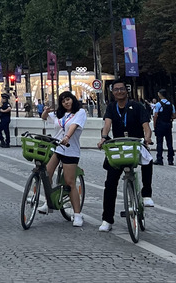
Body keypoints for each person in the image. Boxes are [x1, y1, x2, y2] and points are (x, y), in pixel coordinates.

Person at [97, 79, 155, 232]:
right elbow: (107, 125)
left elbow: (146, 127)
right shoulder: (111, 107)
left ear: (126, 90)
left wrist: (147, 138)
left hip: (136, 143)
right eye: (116, 90)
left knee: (148, 160)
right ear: (113, 92)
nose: (119, 92)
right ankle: (107, 219)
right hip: (119, 145)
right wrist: (103, 137)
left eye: (122, 89)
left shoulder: (137, 106)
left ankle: (146, 194)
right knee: (110, 183)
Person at [38, 91, 87, 227]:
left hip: (71, 149)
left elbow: (73, 126)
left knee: (69, 182)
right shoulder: (59, 114)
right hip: (58, 148)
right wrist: (46, 111)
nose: (66, 102)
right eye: (63, 101)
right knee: (46, 174)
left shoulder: (80, 113)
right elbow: (44, 117)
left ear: (73, 100)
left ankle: (77, 214)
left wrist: (67, 137)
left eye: (68, 99)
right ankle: (48, 202)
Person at [153, 89, 176, 166]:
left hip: (160, 125)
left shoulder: (158, 104)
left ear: (160, 95)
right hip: (168, 125)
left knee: (159, 142)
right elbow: (174, 116)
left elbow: (155, 116)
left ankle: (159, 159)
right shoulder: (171, 105)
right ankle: (170, 159)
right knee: (169, 142)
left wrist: (155, 126)